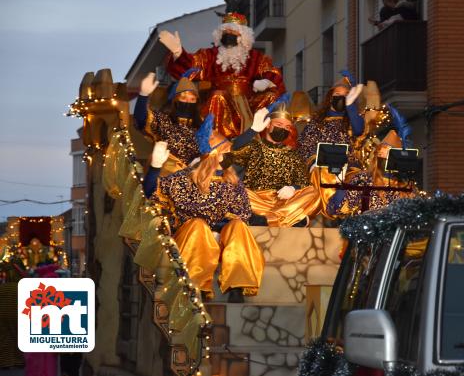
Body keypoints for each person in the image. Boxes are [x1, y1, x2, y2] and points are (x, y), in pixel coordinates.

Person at [145, 115, 264, 303]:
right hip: (192, 235)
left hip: (219, 235)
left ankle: (238, 285)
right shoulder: (185, 178)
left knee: (239, 226)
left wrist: (220, 229)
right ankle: (196, 286)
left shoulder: (231, 181)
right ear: (213, 155)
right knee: (199, 226)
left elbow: (243, 211)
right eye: (225, 152)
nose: (229, 157)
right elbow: (152, 192)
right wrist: (155, 167)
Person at [160, 12, 286, 139]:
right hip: (219, 102)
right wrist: (178, 53)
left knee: (272, 96)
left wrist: (267, 82)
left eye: (233, 31)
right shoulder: (210, 56)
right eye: (225, 31)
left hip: (249, 102)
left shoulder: (256, 58)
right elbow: (191, 68)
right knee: (218, 96)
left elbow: (273, 74)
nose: (228, 34)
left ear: (243, 36)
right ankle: (215, 140)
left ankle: (268, 139)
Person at [223, 95, 320, 227]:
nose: (283, 129)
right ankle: (288, 219)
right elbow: (232, 150)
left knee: (313, 193)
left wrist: (293, 188)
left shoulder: (292, 153)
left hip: (282, 202)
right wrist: (253, 130)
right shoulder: (254, 146)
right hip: (255, 199)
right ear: (268, 125)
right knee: (234, 191)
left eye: (287, 127)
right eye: (279, 124)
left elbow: (302, 182)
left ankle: (268, 220)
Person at [297, 73, 364, 217]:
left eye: (345, 94)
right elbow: (305, 145)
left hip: (349, 166)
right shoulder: (317, 121)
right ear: (330, 97)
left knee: (359, 178)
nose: (341, 97)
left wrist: (350, 106)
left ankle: (343, 210)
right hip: (322, 165)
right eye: (337, 94)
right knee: (322, 174)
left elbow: (359, 130)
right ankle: (328, 210)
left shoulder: (352, 120)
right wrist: (314, 162)